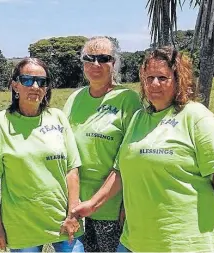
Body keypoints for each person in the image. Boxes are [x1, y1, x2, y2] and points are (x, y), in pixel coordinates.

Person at [112, 46, 214, 252]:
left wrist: (207, 212)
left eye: (162, 78)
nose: (154, 84)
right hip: (134, 241)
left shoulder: (196, 116)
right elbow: (126, 169)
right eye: (149, 77)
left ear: (179, 79)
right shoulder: (139, 118)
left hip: (184, 243)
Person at [0, 58, 84, 252]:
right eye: (27, 80)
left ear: (47, 88)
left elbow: (72, 169)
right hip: (22, 225)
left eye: (42, 81)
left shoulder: (58, 117)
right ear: (15, 85)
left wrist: (73, 215)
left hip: (63, 221)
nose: (35, 86)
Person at [63, 36, 142, 252]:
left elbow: (131, 156)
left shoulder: (127, 99)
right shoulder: (74, 98)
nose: (96, 64)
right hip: (75, 205)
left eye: (103, 58)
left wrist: (127, 203)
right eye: (90, 58)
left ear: (114, 63)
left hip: (112, 207)